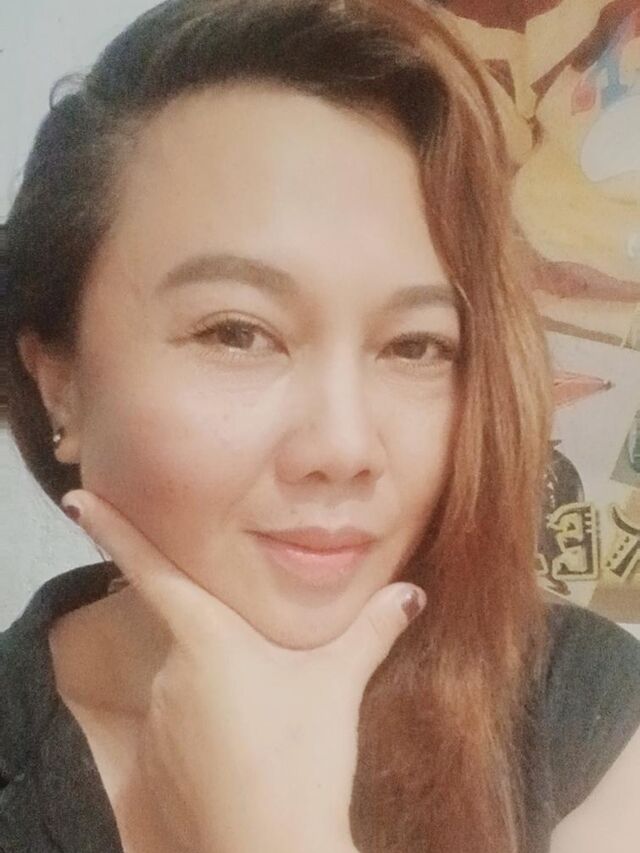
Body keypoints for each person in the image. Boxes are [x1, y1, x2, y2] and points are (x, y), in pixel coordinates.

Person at [3, 1, 640, 851]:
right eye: (237, 332)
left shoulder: (585, 721)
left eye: (415, 345)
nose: (344, 448)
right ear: (60, 382)